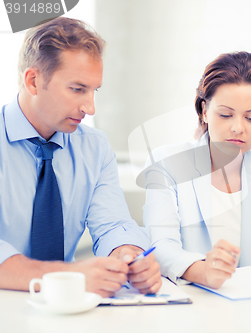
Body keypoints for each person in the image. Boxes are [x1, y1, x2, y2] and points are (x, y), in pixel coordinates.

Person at [0, 17, 161, 297]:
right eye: (77, 89)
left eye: (94, 90)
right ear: (33, 81)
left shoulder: (94, 148)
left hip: (68, 306)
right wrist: (68, 275)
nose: (90, 107)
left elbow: (112, 224)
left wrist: (129, 256)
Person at [142, 51, 251, 288]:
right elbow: (160, 247)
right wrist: (202, 270)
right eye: (225, 115)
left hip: (250, 307)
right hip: (188, 302)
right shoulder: (167, 163)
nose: (238, 128)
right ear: (204, 111)